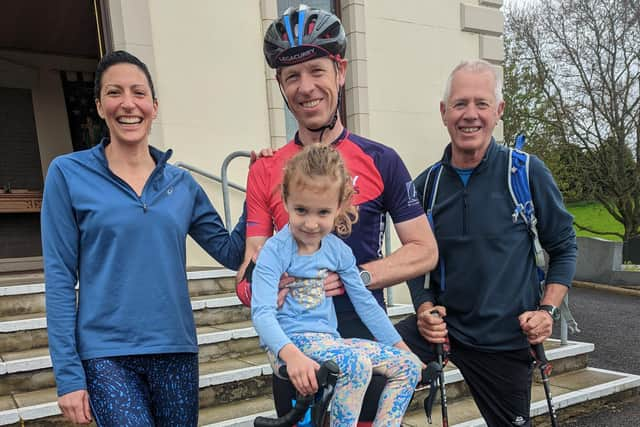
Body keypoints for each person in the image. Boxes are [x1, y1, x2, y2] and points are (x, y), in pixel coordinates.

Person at [243, 4, 438, 418]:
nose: (305, 86)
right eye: (292, 76)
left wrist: (357, 278)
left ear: (340, 72)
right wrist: (260, 287)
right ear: (280, 84)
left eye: (317, 70)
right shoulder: (264, 168)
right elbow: (249, 272)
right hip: (298, 344)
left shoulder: (381, 159)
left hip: (363, 332)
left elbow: (424, 250)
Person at [41, 50, 246, 426]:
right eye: (114, 93)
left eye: (138, 93)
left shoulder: (181, 184)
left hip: (176, 350)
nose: (128, 104)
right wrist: (68, 377)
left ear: (154, 105)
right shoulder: (67, 174)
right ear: (100, 106)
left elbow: (231, 252)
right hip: (106, 355)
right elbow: (58, 280)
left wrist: (264, 184)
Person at [395, 59, 578, 426]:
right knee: (368, 363)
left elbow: (564, 248)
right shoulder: (425, 186)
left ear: (498, 111)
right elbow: (414, 257)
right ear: (444, 113)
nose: (470, 115)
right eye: (460, 104)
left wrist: (547, 312)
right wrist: (423, 305)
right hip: (445, 329)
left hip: (506, 337)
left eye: (481, 104)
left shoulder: (526, 172)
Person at [252, 144, 422, 426]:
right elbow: (262, 313)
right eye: (301, 210)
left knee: (407, 368)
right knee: (356, 365)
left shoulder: (338, 251)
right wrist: (291, 356)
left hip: (329, 341)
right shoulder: (275, 250)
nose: (310, 223)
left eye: (322, 213)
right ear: (285, 200)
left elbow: (366, 304)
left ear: (339, 208)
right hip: (290, 341)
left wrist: (402, 346)